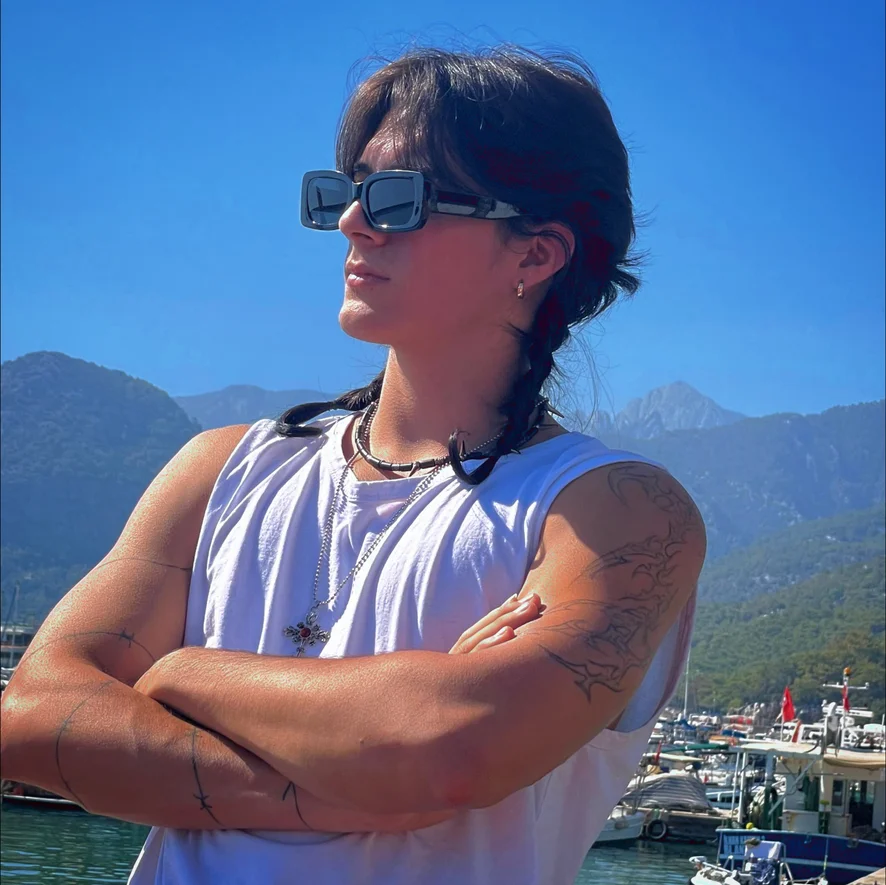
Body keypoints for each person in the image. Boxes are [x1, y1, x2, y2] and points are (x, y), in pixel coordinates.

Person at [0, 45, 705, 885]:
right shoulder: (220, 469)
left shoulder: (614, 511)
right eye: (349, 191)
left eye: (401, 198)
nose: (352, 223)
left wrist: (177, 672)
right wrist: (345, 784)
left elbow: (448, 750)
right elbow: (32, 714)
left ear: (535, 254)